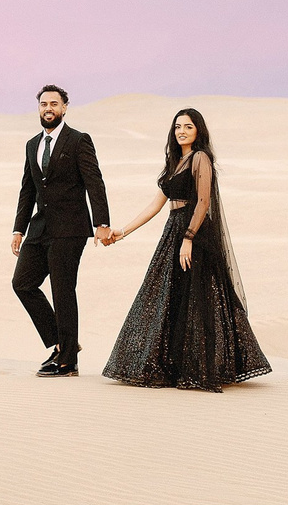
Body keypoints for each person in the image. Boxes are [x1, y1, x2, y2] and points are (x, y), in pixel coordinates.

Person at [102, 107, 271, 392]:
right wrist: (122, 232)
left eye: (188, 127)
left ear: (198, 131)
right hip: (173, 229)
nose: (181, 131)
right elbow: (155, 206)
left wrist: (189, 237)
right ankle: (175, 367)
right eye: (178, 127)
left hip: (194, 233)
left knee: (198, 299)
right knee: (171, 298)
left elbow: (203, 201)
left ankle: (204, 368)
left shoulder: (200, 158)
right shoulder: (175, 162)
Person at [10, 84, 114, 377]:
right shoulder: (32, 144)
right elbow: (27, 189)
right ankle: (61, 343)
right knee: (23, 283)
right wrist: (19, 229)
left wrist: (101, 223)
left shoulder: (78, 140)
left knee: (62, 290)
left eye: (54, 104)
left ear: (64, 107)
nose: (48, 109)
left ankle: (68, 361)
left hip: (70, 228)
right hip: (39, 228)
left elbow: (95, 182)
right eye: (44, 104)